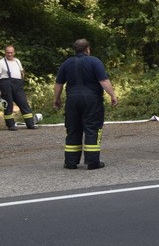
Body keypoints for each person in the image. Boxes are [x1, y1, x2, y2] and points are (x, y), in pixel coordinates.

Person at [52, 39, 118, 170]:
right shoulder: (95, 61)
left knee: (73, 129)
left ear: (75, 50)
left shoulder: (66, 63)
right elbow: (104, 80)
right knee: (92, 128)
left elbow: (59, 84)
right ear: (87, 49)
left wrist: (56, 99)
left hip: (72, 100)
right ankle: (92, 162)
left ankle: (71, 162)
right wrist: (113, 95)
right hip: (91, 100)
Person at [1, 45, 38, 130]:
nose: (9, 54)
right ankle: (11, 125)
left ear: (14, 52)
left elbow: (21, 71)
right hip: (6, 84)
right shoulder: (1, 62)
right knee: (8, 105)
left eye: (11, 52)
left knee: (24, 103)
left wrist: (22, 80)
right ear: (5, 52)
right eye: (8, 52)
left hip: (18, 85)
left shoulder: (17, 61)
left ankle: (30, 124)